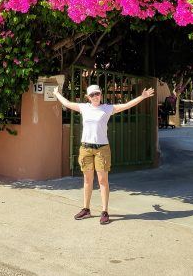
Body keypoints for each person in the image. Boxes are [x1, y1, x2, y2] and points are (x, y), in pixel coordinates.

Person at [54, 83, 155, 225]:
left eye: (98, 93)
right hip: (86, 148)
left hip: (102, 149)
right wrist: (57, 93)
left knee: (102, 180)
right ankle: (86, 209)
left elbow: (126, 105)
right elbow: (67, 103)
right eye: (92, 95)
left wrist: (142, 97)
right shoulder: (84, 108)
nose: (96, 96)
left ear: (101, 94)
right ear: (88, 97)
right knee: (87, 180)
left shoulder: (107, 108)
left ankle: (105, 211)